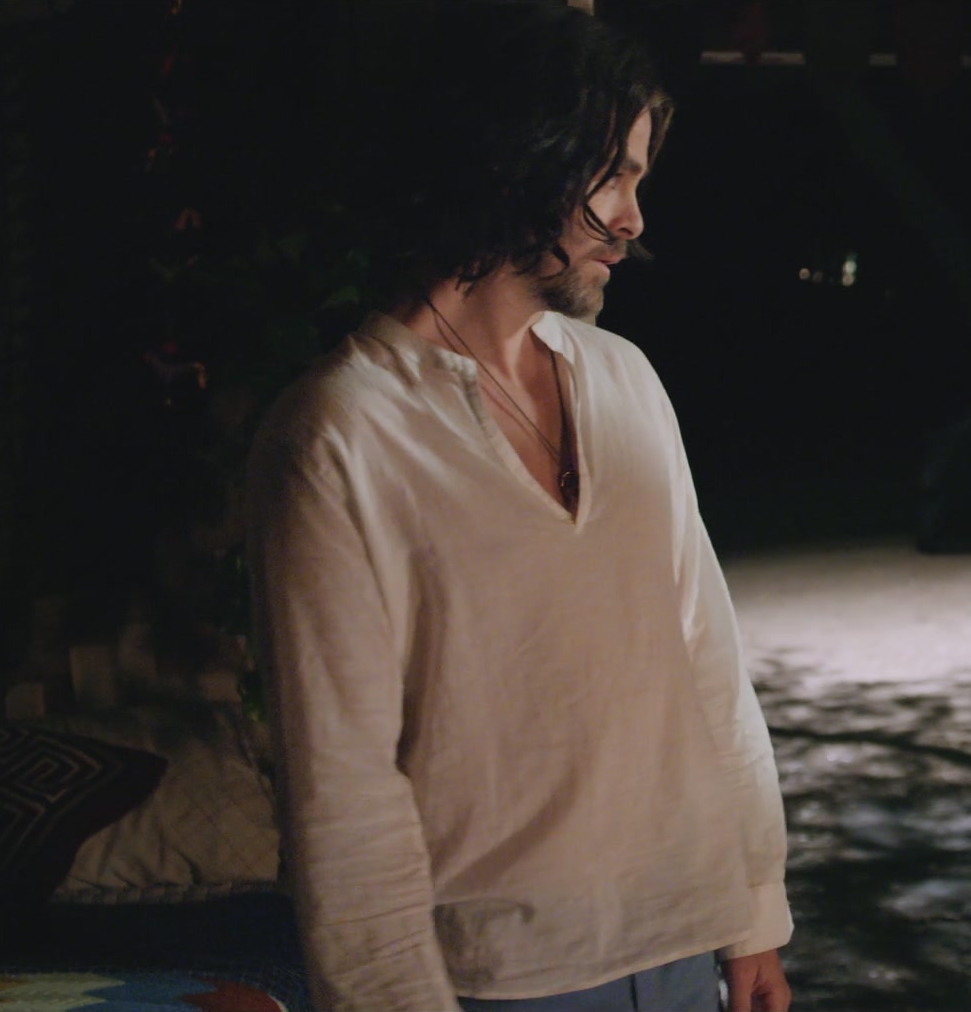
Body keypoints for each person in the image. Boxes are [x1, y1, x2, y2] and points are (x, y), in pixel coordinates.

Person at [244, 4, 791, 1010]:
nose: (634, 218)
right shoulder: (340, 434)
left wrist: (755, 916)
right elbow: (344, 790)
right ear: (516, 162)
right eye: (613, 177)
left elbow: (707, 665)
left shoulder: (625, 381)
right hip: (505, 982)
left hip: (686, 949)